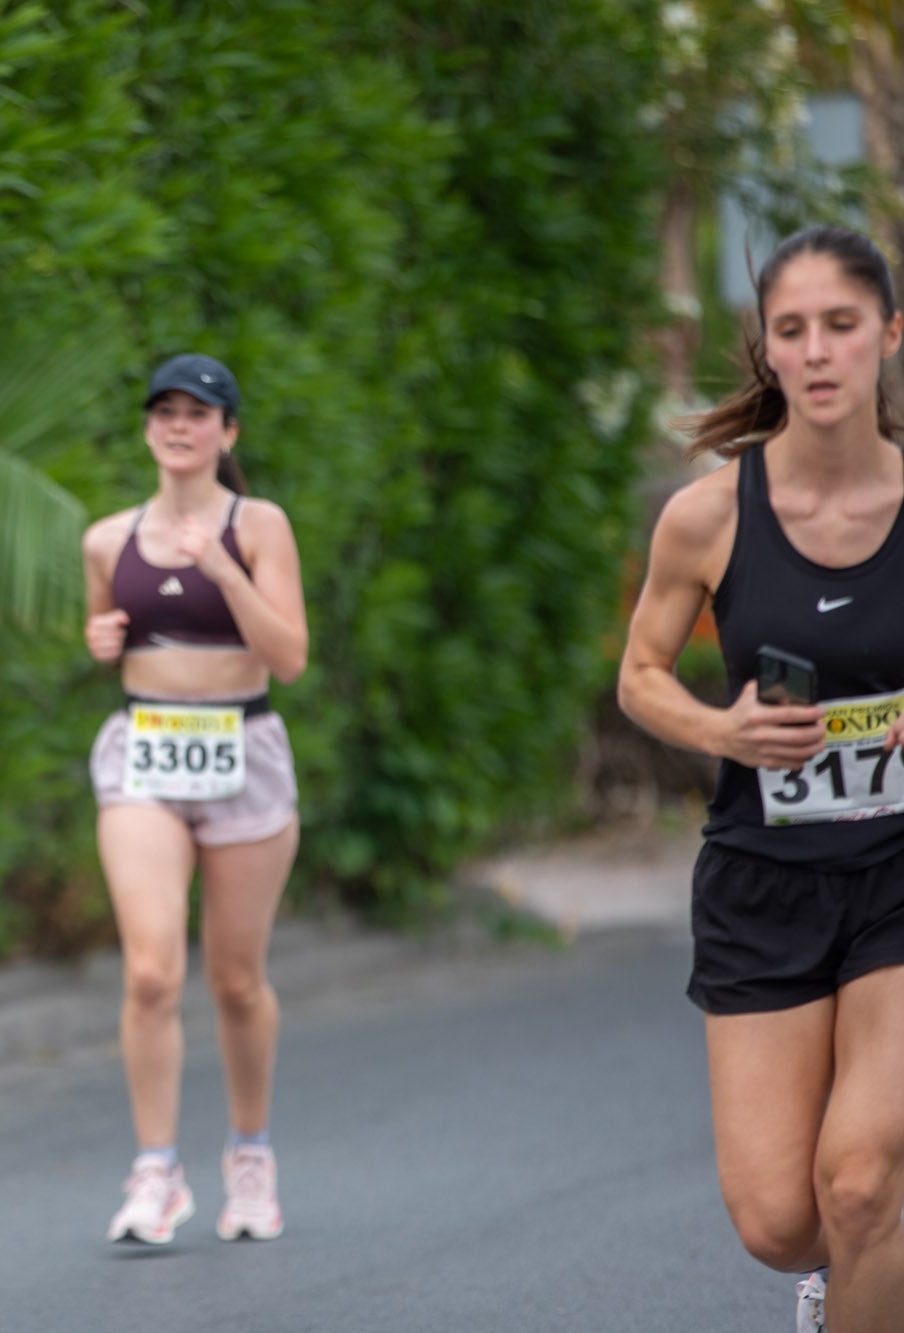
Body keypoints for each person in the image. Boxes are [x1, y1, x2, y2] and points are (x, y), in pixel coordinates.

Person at [618, 223, 904, 1333]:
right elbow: (640, 676)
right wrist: (722, 731)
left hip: (897, 868)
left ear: (888, 335)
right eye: (792, 329)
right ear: (768, 349)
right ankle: (852, 1272)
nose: (817, 351)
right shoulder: (707, 515)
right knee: (785, 1219)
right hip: (763, 878)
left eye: (841, 324)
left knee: (862, 1178)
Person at [81, 353, 308, 1245]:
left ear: (228, 431)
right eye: (165, 411)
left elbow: (289, 656)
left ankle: (250, 1156)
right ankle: (156, 1171)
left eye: (199, 412)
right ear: (148, 428)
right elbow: (106, 630)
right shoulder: (108, 539)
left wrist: (224, 568)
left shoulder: (260, 525)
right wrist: (102, 638)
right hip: (145, 749)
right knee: (150, 971)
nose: (179, 425)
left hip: (242, 748)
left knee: (236, 979)